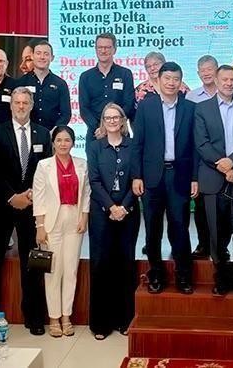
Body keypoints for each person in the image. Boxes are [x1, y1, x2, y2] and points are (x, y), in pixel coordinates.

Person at [0, 87, 52, 338]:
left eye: (25, 102)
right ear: (11, 105)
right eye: (16, 102)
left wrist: (28, 195)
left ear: (31, 104)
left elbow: (46, 170)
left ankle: (35, 317)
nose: (20, 106)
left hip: (32, 206)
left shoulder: (42, 133)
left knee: (35, 263)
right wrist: (11, 196)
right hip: (0, 207)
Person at [132, 62, 198, 294]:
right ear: (158, 81)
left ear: (181, 82)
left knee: (180, 227)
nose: (171, 83)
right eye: (167, 78)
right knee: (152, 228)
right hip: (151, 177)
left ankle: (183, 275)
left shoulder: (190, 108)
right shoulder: (146, 107)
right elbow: (137, 143)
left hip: (179, 176)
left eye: (176, 79)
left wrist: (195, 178)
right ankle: (155, 274)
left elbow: (195, 147)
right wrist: (136, 175)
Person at [194, 65, 233, 298]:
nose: (229, 83)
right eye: (225, 79)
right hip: (213, 180)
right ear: (217, 81)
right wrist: (221, 165)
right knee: (216, 233)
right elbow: (201, 143)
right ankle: (221, 276)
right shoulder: (202, 109)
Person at [86, 104, 140, 340]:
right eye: (107, 117)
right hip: (101, 213)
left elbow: (137, 179)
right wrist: (111, 207)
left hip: (128, 212)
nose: (112, 121)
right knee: (101, 265)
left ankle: (125, 319)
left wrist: (124, 207)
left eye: (116, 117)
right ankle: (101, 323)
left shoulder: (133, 146)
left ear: (123, 119)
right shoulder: (95, 147)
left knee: (125, 265)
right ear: (102, 121)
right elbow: (94, 182)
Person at [33, 125, 90, 338]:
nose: (63, 144)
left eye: (67, 140)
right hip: (51, 223)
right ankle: (54, 317)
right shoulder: (44, 165)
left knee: (71, 271)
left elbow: (86, 194)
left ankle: (67, 315)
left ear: (73, 143)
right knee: (53, 270)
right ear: (53, 143)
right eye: (59, 140)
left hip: (74, 221)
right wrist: (40, 227)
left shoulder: (82, 164)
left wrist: (84, 217)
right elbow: (38, 197)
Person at [186, 55, 219, 260]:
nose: (206, 73)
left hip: (224, 160)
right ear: (198, 74)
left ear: (216, 71)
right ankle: (203, 243)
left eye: (210, 69)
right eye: (202, 70)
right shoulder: (191, 97)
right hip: (200, 159)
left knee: (224, 208)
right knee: (200, 207)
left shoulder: (227, 92)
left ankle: (221, 245)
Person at [79, 33, 136, 141]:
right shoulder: (85, 77)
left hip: (121, 134)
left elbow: (129, 104)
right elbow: (84, 109)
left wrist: (114, 125)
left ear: (114, 49)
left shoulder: (125, 74)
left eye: (107, 47)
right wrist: (100, 127)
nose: (103, 51)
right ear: (95, 49)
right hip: (95, 134)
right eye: (100, 47)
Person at [19, 40, 72, 129]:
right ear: (32, 56)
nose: (42, 57)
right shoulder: (21, 82)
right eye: (38, 53)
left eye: (46, 54)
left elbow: (66, 114)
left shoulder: (60, 84)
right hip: (26, 134)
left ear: (52, 58)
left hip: (51, 136)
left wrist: (55, 131)